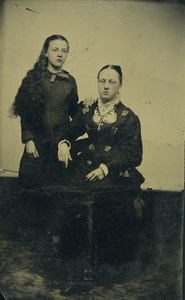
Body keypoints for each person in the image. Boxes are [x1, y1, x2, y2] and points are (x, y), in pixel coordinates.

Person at [58, 64, 145, 263]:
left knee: (107, 209)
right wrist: (64, 143)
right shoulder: (87, 109)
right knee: (69, 203)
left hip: (113, 173)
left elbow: (134, 154)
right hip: (85, 168)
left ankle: (103, 263)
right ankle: (74, 259)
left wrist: (106, 168)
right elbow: (70, 131)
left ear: (120, 85)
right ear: (97, 83)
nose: (106, 86)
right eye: (102, 81)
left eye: (111, 82)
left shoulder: (129, 118)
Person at [10, 34, 79, 188]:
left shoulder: (70, 81)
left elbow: (74, 112)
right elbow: (25, 112)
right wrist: (28, 139)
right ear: (46, 52)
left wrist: (86, 105)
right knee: (30, 190)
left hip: (59, 145)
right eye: (55, 50)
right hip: (37, 144)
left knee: (56, 192)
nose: (60, 54)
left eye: (64, 51)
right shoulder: (34, 78)